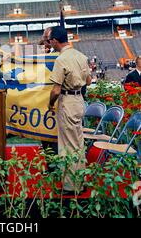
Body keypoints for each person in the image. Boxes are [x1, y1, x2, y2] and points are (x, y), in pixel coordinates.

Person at [47, 26, 92, 194]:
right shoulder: (81, 56)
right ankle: (81, 179)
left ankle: (72, 186)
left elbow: (56, 90)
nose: (50, 43)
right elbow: (88, 81)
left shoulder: (61, 59)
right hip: (79, 100)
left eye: (50, 40)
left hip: (67, 100)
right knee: (78, 143)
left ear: (55, 41)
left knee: (68, 145)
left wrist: (51, 103)